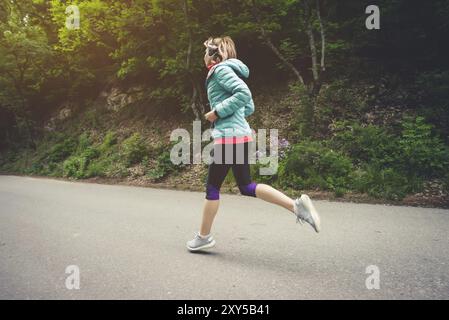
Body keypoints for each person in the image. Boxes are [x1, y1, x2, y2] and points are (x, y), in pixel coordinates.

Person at [186, 36, 321, 252]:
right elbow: (248, 107)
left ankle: (203, 237)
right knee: (247, 186)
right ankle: (296, 207)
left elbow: (243, 94)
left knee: (212, 188)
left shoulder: (220, 71)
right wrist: (232, 112)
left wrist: (217, 112)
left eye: (205, 52)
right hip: (240, 136)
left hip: (229, 137)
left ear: (214, 55)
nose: (203, 56)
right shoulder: (232, 71)